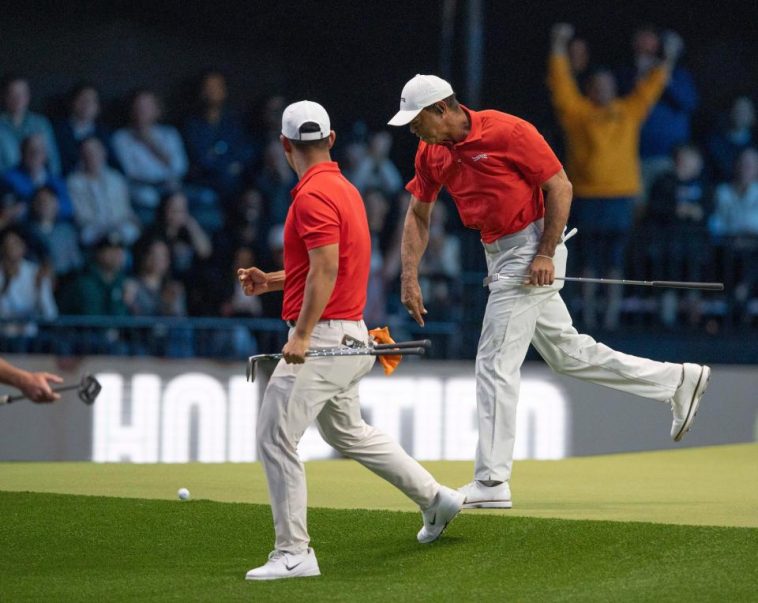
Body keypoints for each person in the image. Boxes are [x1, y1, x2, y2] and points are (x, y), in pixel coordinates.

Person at [386, 72, 711, 510]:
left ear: (442, 108)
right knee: (570, 354)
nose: (412, 129)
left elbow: (560, 185)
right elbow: (419, 215)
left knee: (495, 359)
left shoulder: (508, 131)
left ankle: (491, 481)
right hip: (496, 251)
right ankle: (678, 380)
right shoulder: (430, 152)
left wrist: (544, 253)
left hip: (531, 244)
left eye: (416, 119)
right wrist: (409, 276)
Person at [237, 100, 463, 581]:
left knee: (274, 434)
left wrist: (299, 334)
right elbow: (322, 268)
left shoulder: (310, 196)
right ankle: (436, 498)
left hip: (322, 338)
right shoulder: (344, 188)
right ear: (332, 140)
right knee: (348, 432)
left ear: (284, 146)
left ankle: (294, 552)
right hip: (351, 335)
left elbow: (326, 269)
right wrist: (271, 281)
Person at [547, 23, 682, 329]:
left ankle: (610, 323)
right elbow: (561, 83)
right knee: (589, 265)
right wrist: (557, 45)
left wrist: (669, 55)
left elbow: (652, 86)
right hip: (587, 197)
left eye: (608, 85)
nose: (603, 90)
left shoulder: (628, 110)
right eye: (598, 85)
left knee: (614, 264)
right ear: (591, 89)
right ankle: (589, 321)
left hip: (621, 197)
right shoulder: (577, 113)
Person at [617, 26, 698, 199]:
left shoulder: (679, 74)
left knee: (666, 204)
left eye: (650, 44)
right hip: (635, 156)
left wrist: (664, 79)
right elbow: (623, 106)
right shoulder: (627, 74)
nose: (645, 49)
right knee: (638, 207)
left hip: (671, 157)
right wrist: (641, 75)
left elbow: (689, 103)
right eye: (641, 43)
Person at [112, 89, 189, 221]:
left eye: (147, 106)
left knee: (203, 198)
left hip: (171, 188)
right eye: (138, 106)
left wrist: (151, 144)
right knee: (149, 200)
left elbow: (179, 167)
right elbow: (132, 172)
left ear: (157, 110)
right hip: (142, 191)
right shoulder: (121, 138)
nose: (142, 111)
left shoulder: (169, 133)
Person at [183, 70, 253, 200]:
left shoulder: (234, 122)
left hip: (233, 183)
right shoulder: (192, 124)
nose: (212, 92)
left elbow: (242, 154)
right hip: (203, 180)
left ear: (224, 90)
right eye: (208, 87)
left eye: (216, 87)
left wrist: (225, 162)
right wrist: (222, 165)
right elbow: (200, 158)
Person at [67, 137, 141, 248]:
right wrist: (103, 229)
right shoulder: (74, 182)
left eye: (95, 151)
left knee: (131, 232)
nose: (92, 156)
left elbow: (125, 209)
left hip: (118, 226)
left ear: (103, 153)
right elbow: (80, 216)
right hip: (92, 228)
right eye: (87, 152)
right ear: (81, 155)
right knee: (88, 236)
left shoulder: (116, 178)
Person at [2, 134, 73, 220]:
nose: (35, 155)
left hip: (52, 226)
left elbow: (68, 208)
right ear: (22, 153)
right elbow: (9, 209)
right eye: (30, 150)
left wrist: (41, 207)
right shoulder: (9, 178)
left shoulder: (56, 181)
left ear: (45, 155)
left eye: (39, 151)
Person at [0, 75, 61, 175]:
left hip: (39, 184)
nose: (18, 99)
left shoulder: (41, 124)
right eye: (13, 94)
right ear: (4, 96)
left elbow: (52, 160)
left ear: (28, 96)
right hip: (5, 184)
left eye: (22, 94)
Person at [53, 82, 113, 176]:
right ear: (72, 102)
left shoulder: (104, 133)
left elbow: (113, 163)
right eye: (82, 100)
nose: (87, 105)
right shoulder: (59, 131)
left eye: (92, 101)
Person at [707, 96, 756, 182]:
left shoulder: (755, 144)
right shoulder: (714, 143)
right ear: (730, 111)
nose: (741, 114)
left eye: (745, 111)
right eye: (738, 110)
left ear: (753, 116)